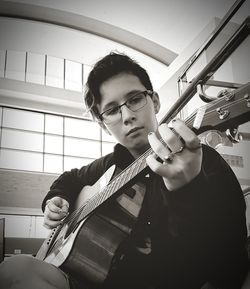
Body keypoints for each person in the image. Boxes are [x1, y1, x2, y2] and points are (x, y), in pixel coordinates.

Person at [0, 52, 249, 289]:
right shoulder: (109, 164)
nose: (127, 115)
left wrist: (187, 190)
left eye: (135, 99)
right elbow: (70, 179)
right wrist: (56, 199)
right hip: (77, 279)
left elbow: (229, 268)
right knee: (13, 269)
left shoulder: (207, 164)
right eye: (111, 110)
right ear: (103, 124)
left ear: (155, 101)